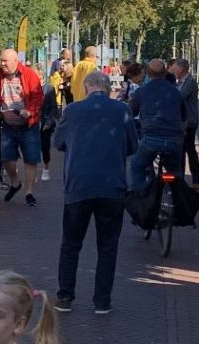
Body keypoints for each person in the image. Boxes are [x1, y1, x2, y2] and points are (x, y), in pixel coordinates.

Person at [52, 71, 138, 316]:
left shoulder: (72, 110)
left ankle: (65, 296)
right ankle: (102, 301)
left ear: (87, 87)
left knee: (71, 244)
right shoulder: (122, 111)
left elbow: (58, 143)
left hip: (78, 186)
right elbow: (133, 145)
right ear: (108, 88)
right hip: (112, 186)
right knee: (108, 245)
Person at [0, 49, 45, 207]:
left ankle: (29, 192)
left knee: (30, 159)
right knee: (6, 158)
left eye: (5, 61)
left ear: (15, 61)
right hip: (8, 125)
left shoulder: (29, 75)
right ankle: (15, 182)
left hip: (27, 125)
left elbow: (38, 97)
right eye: (1, 61)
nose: (2, 64)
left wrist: (30, 111)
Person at [128, 60, 184, 192]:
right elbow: (184, 118)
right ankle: (179, 198)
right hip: (173, 140)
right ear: (165, 72)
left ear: (147, 73)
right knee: (176, 171)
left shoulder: (141, 92)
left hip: (151, 139)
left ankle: (139, 198)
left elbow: (130, 113)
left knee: (136, 166)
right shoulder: (176, 92)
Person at [175, 58, 199, 188]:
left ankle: (194, 179)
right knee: (185, 150)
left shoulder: (190, 82)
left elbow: (179, 97)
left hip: (189, 122)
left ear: (182, 69)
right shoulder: (180, 82)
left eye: (176, 68)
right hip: (182, 121)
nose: (174, 70)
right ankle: (185, 179)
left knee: (188, 150)